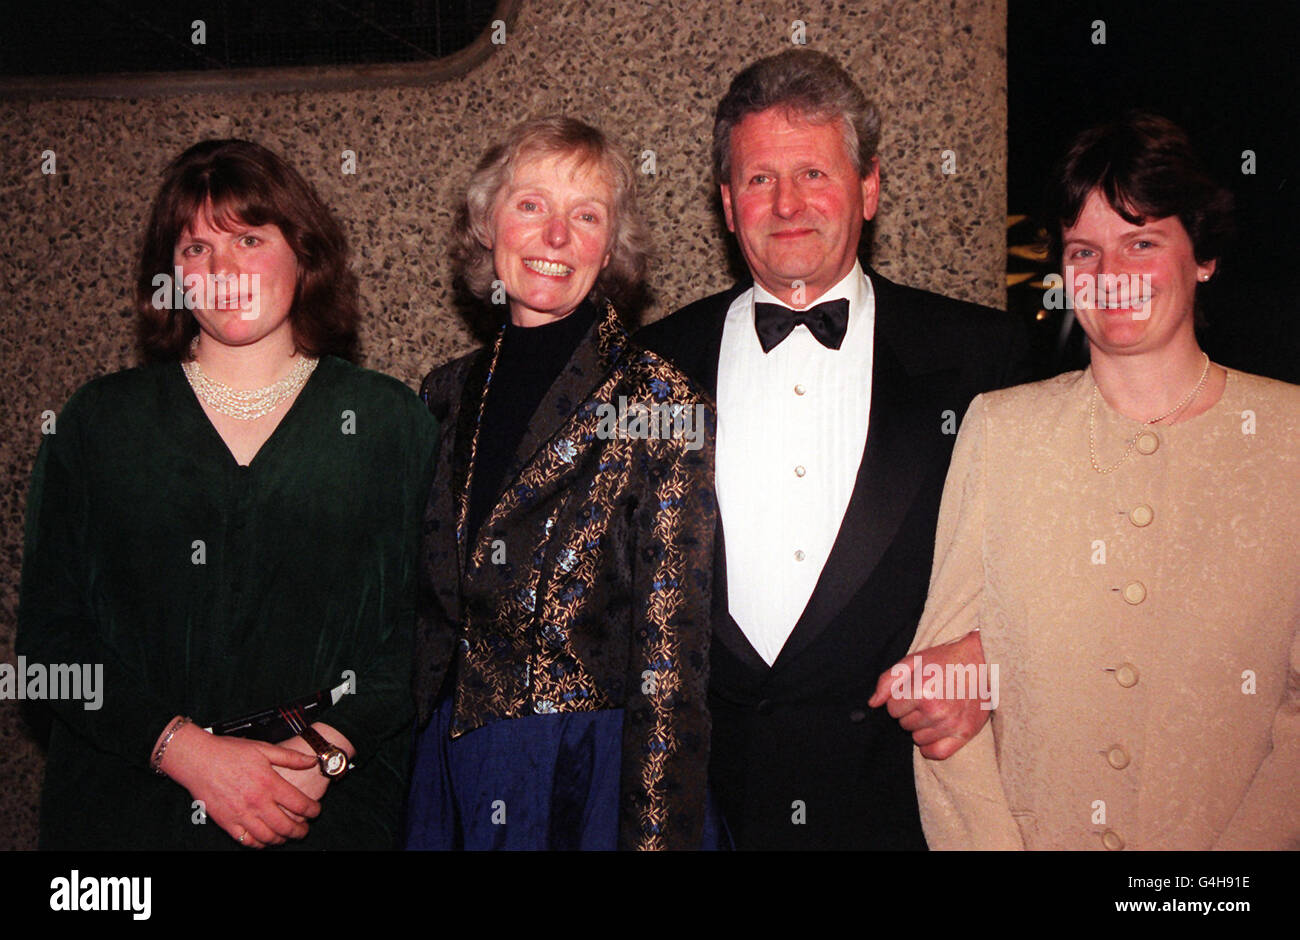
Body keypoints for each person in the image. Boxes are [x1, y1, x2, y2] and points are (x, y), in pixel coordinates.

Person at [637, 49, 1030, 849]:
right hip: (704, 808)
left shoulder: (988, 359)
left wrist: (995, 661)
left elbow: (1066, 571)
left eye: (814, 173)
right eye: (758, 179)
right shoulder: (646, 369)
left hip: (906, 800)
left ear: (870, 188)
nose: (787, 204)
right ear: (725, 200)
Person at [17, 139, 439, 849]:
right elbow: (48, 650)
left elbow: (429, 627)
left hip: (324, 807)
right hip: (124, 816)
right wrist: (187, 753)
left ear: (303, 253)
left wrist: (325, 750)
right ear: (170, 277)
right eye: (195, 250)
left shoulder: (391, 422)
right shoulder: (97, 422)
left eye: (249, 237)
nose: (224, 270)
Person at [911, 112, 1300, 850]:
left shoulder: (1291, 439)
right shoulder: (999, 432)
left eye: (1142, 242)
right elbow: (944, 703)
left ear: (1203, 257)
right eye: (1084, 251)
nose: (1111, 276)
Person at [406, 116, 718, 851]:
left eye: (585, 216)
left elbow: (673, 664)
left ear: (609, 248)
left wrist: (653, 839)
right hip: (445, 775)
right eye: (531, 205)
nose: (555, 237)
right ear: (488, 224)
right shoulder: (443, 395)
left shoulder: (661, 404)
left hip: (587, 781)